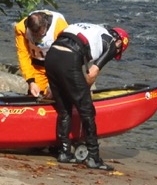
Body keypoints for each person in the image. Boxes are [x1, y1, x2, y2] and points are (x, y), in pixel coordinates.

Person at [44, 23, 130, 171]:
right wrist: (84, 94)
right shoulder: (112, 44)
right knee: (87, 110)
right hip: (69, 56)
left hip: (51, 55)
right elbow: (91, 73)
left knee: (64, 108)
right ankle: (94, 157)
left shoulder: (93, 29)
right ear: (119, 42)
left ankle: (64, 152)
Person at [14, 10, 68, 98]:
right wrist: (31, 81)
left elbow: (66, 59)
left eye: (40, 35)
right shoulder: (21, 29)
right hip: (38, 66)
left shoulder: (60, 28)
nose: (37, 38)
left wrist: (55, 83)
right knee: (35, 94)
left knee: (59, 94)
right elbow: (23, 56)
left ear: (45, 26)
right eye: (34, 35)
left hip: (57, 65)